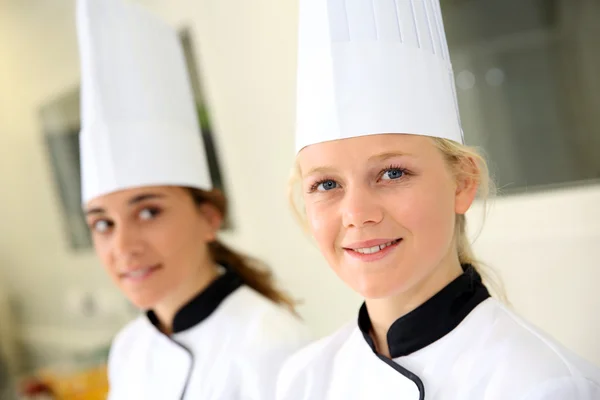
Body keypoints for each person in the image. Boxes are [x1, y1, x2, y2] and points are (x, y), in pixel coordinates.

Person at [276, 0, 600, 399]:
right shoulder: (303, 380)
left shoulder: (543, 385)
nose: (357, 215)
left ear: (462, 183)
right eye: (326, 184)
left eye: (392, 173)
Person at [76, 0, 310, 398]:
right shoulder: (129, 349)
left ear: (209, 217)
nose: (123, 246)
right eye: (103, 223)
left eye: (149, 211)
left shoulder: (274, 348)